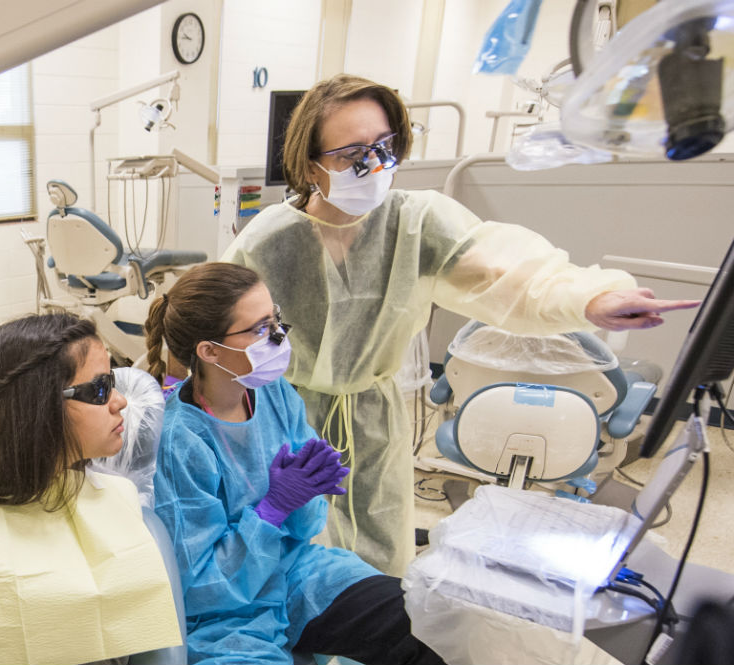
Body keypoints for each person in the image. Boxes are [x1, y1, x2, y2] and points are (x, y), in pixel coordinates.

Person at [221, 73, 701, 577]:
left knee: (379, 546)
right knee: (289, 545)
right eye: (352, 154)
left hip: (373, 415)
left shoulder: (416, 221)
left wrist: (591, 297)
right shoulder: (270, 240)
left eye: (384, 147)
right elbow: (215, 327)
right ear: (310, 162)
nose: (374, 166)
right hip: (285, 417)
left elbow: (509, 271)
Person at [144, 262, 445, 665]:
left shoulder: (274, 394)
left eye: (276, 320)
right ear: (210, 350)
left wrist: (307, 492)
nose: (279, 336)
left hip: (301, 575)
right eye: (260, 328)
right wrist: (272, 511)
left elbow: (304, 531)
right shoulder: (181, 441)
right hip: (227, 618)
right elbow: (201, 587)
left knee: (431, 627)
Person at [0, 313, 184, 665]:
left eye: (112, 382)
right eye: (100, 389)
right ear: (40, 404)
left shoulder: (115, 497)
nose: (121, 402)